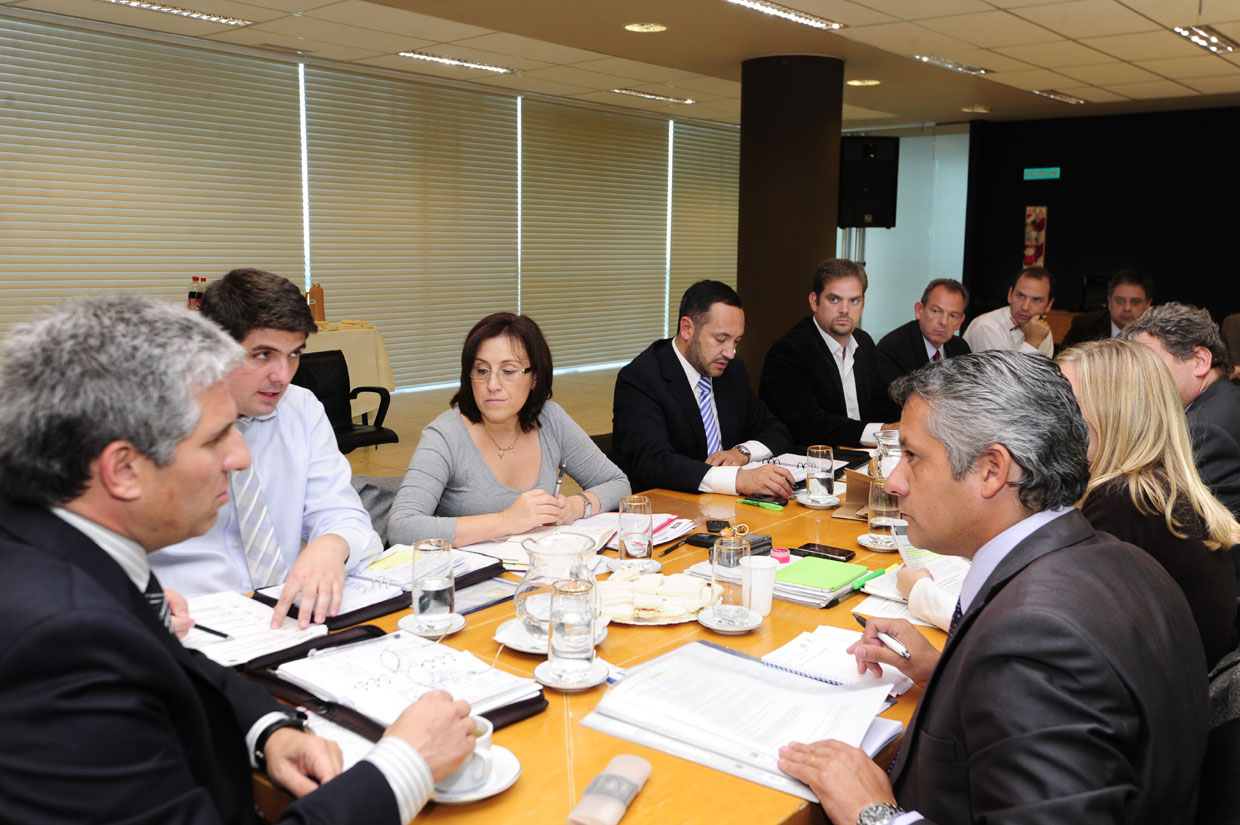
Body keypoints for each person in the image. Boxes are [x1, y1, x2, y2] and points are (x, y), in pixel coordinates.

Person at [0, 295, 476, 824]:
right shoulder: (62, 641)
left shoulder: (56, 544)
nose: (242, 455)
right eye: (215, 438)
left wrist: (265, 728)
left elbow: (175, 663)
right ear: (123, 469)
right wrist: (402, 767)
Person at [778, 351, 1207, 825]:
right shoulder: (1124, 561)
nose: (894, 480)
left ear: (991, 470)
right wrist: (949, 674)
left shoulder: (1033, 639)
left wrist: (874, 814)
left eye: (913, 456)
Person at [153, 268, 381, 628]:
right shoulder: (150, 419)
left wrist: (332, 544)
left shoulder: (301, 408)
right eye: (263, 355)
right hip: (191, 622)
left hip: (285, 617)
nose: (283, 375)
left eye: (294, 355)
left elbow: (342, 512)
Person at [1057, 339, 1239, 666]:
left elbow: (1064, 627)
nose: (1054, 418)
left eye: (1067, 404)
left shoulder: (1123, 500)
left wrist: (936, 602)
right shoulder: (1154, 487)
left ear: (1111, 413)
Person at [388, 313, 629, 546]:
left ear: (535, 377)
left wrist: (576, 507)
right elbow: (402, 527)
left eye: (509, 371)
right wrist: (507, 521)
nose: (492, 385)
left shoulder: (550, 419)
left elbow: (617, 483)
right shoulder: (445, 435)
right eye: (481, 371)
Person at [613, 280, 794, 496]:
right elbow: (655, 463)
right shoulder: (641, 378)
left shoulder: (731, 371)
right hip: (665, 508)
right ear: (687, 328)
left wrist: (742, 453)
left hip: (725, 508)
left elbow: (776, 429)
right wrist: (736, 479)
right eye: (721, 339)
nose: (730, 352)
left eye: (736, 341)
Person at [759, 259, 900, 447]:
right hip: (812, 463)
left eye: (854, 300)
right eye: (834, 299)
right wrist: (882, 431)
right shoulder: (789, 351)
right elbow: (811, 424)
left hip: (864, 458)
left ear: (863, 304)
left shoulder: (864, 342)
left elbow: (882, 404)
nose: (844, 310)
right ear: (814, 301)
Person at [1124, 302, 1240, 524]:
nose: (1137, 379)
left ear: (1200, 361)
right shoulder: (1226, 400)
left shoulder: (1204, 429)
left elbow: (1177, 526)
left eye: (1151, 365)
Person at [876, 278, 971, 392]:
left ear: (960, 321)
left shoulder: (961, 349)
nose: (944, 322)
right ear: (919, 310)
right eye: (936, 311)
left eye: (953, 316)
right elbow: (894, 406)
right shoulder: (892, 349)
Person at [962, 266, 1055, 356]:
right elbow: (1002, 372)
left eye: (1036, 300)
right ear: (1010, 295)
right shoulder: (987, 327)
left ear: (1049, 305)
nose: (1025, 307)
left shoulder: (1041, 330)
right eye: (1021, 296)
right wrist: (1032, 341)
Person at [1060, 268, 1153, 347]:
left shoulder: (1156, 335)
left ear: (1148, 304)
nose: (1127, 308)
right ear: (1109, 302)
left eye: (1135, 302)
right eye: (1120, 300)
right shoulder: (1084, 327)